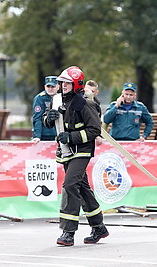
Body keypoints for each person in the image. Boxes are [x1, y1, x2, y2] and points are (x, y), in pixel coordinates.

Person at [43, 66, 108, 246]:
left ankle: (68, 231)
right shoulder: (57, 100)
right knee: (82, 188)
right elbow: (46, 120)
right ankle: (99, 227)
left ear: (76, 84)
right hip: (66, 152)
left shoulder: (84, 104)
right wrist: (49, 118)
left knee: (70, 185)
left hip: (82, 151)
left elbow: (95, 130)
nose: (63, 85)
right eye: (62, 82)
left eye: (67, 83)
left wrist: (72, 137)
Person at [32, 76, 59, 143]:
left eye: (53, 87)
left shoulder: (60, 98)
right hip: (43, 135)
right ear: (45, 87)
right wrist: (37, 136)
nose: (50, 89)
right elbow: (37, 118)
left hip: (56, 135)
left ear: (58, 87)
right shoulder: (40, 98)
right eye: (48, 87)